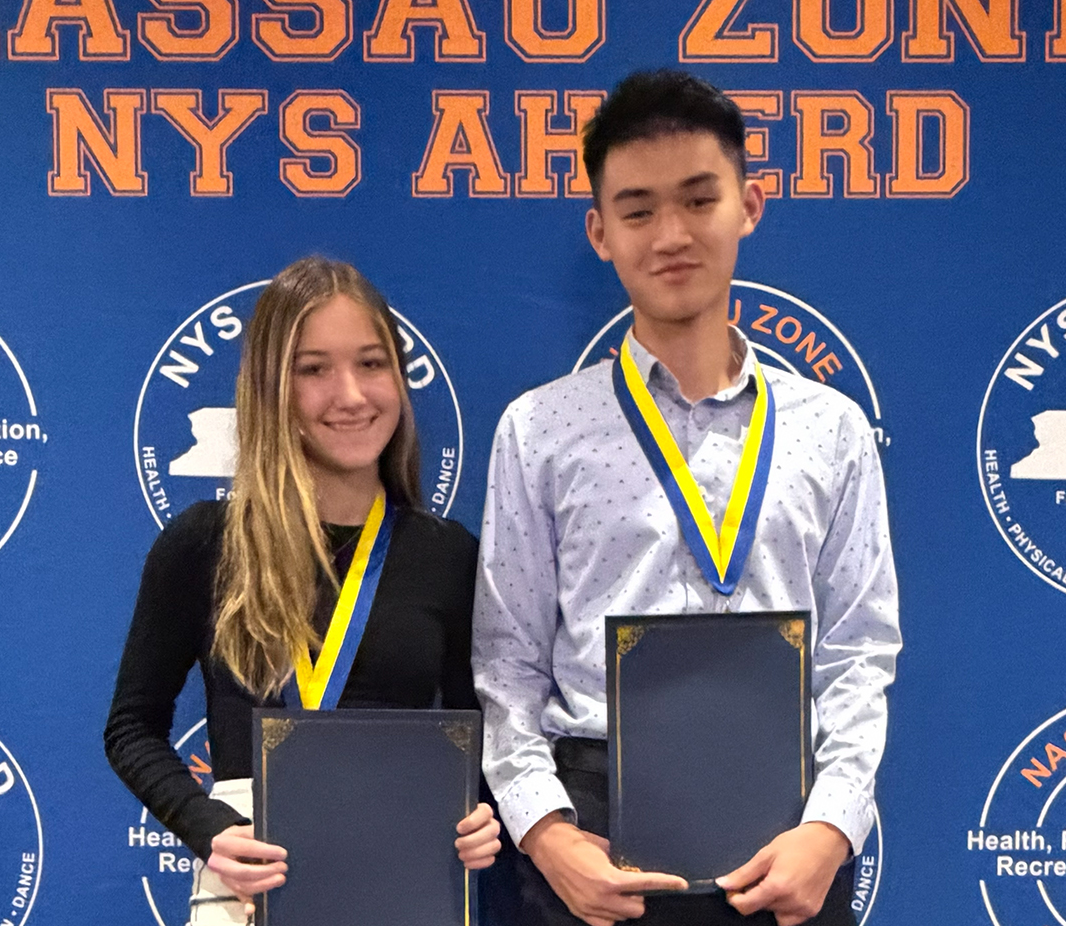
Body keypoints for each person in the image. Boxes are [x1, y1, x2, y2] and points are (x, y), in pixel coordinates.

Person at [472, 69, 902, 926]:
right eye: (636, 211)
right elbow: (507, 664)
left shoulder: (833, 428)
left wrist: (832, 826)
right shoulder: (539, 429)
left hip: (788, 839)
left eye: (699, 199)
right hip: (595, 840)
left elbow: (859, 652)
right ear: (600, 232)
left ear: (749, 205)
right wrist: (547, 832)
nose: (669, 234)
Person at [105, 256, 502, 905]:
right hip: (250, 883)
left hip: (403, 874)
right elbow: (131, 728)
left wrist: (480, 815)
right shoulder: (206, 543)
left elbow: (480, 734)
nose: (350, 393)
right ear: (272, 388)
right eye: (314, 369)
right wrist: (208, 828)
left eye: (371, 363)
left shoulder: (445, 554)